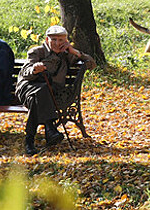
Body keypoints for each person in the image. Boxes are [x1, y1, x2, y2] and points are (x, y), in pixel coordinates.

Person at [16, 25, 96, 155]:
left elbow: (92, 64)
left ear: (66, 41)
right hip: (28, 88)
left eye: (60, 40)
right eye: (53, 39)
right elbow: (25, 73)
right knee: (40, 91)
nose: (57, 43)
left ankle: (29, 141)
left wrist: (75, 52)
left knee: (37, 98)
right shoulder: (37, 52)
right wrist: (35, 69)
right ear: (47, 39)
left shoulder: (67, 55)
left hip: (46, 93)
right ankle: (50, 128)